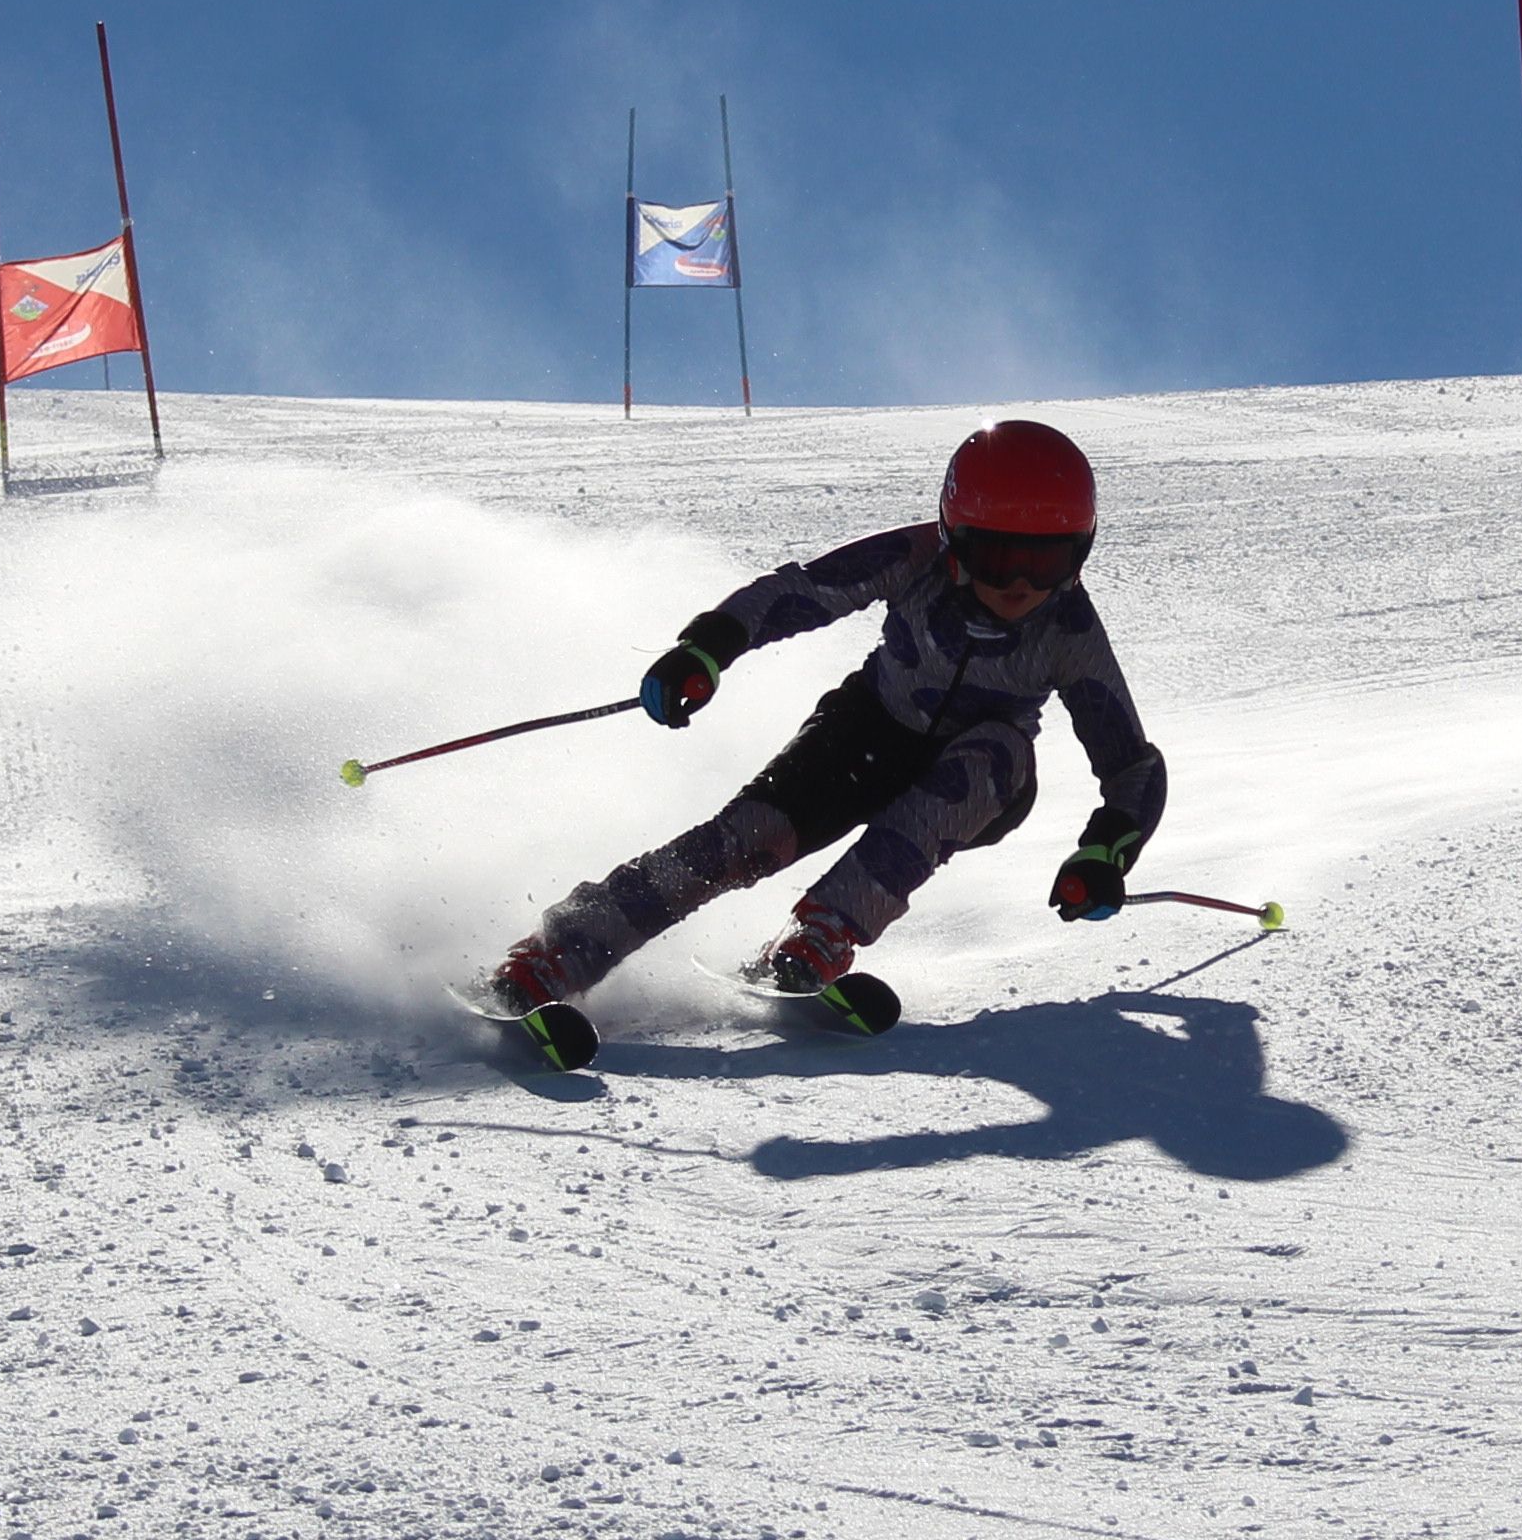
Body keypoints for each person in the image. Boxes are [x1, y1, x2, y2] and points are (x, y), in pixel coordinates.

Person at [483, 418, 1167, 1069]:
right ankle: (557, 953)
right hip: (863, 735)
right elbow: (801, 593)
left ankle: (823, 933)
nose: (1018, 585)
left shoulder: (1071, 632)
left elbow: (1132, 766)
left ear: (1080, 553)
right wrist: (708, 649)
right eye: (998, 557)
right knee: (746, 837)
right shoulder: (916, 558)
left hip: (979, 779)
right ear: (954, 537)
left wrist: (1105, 852)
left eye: (1046, 563)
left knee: (995, 752)